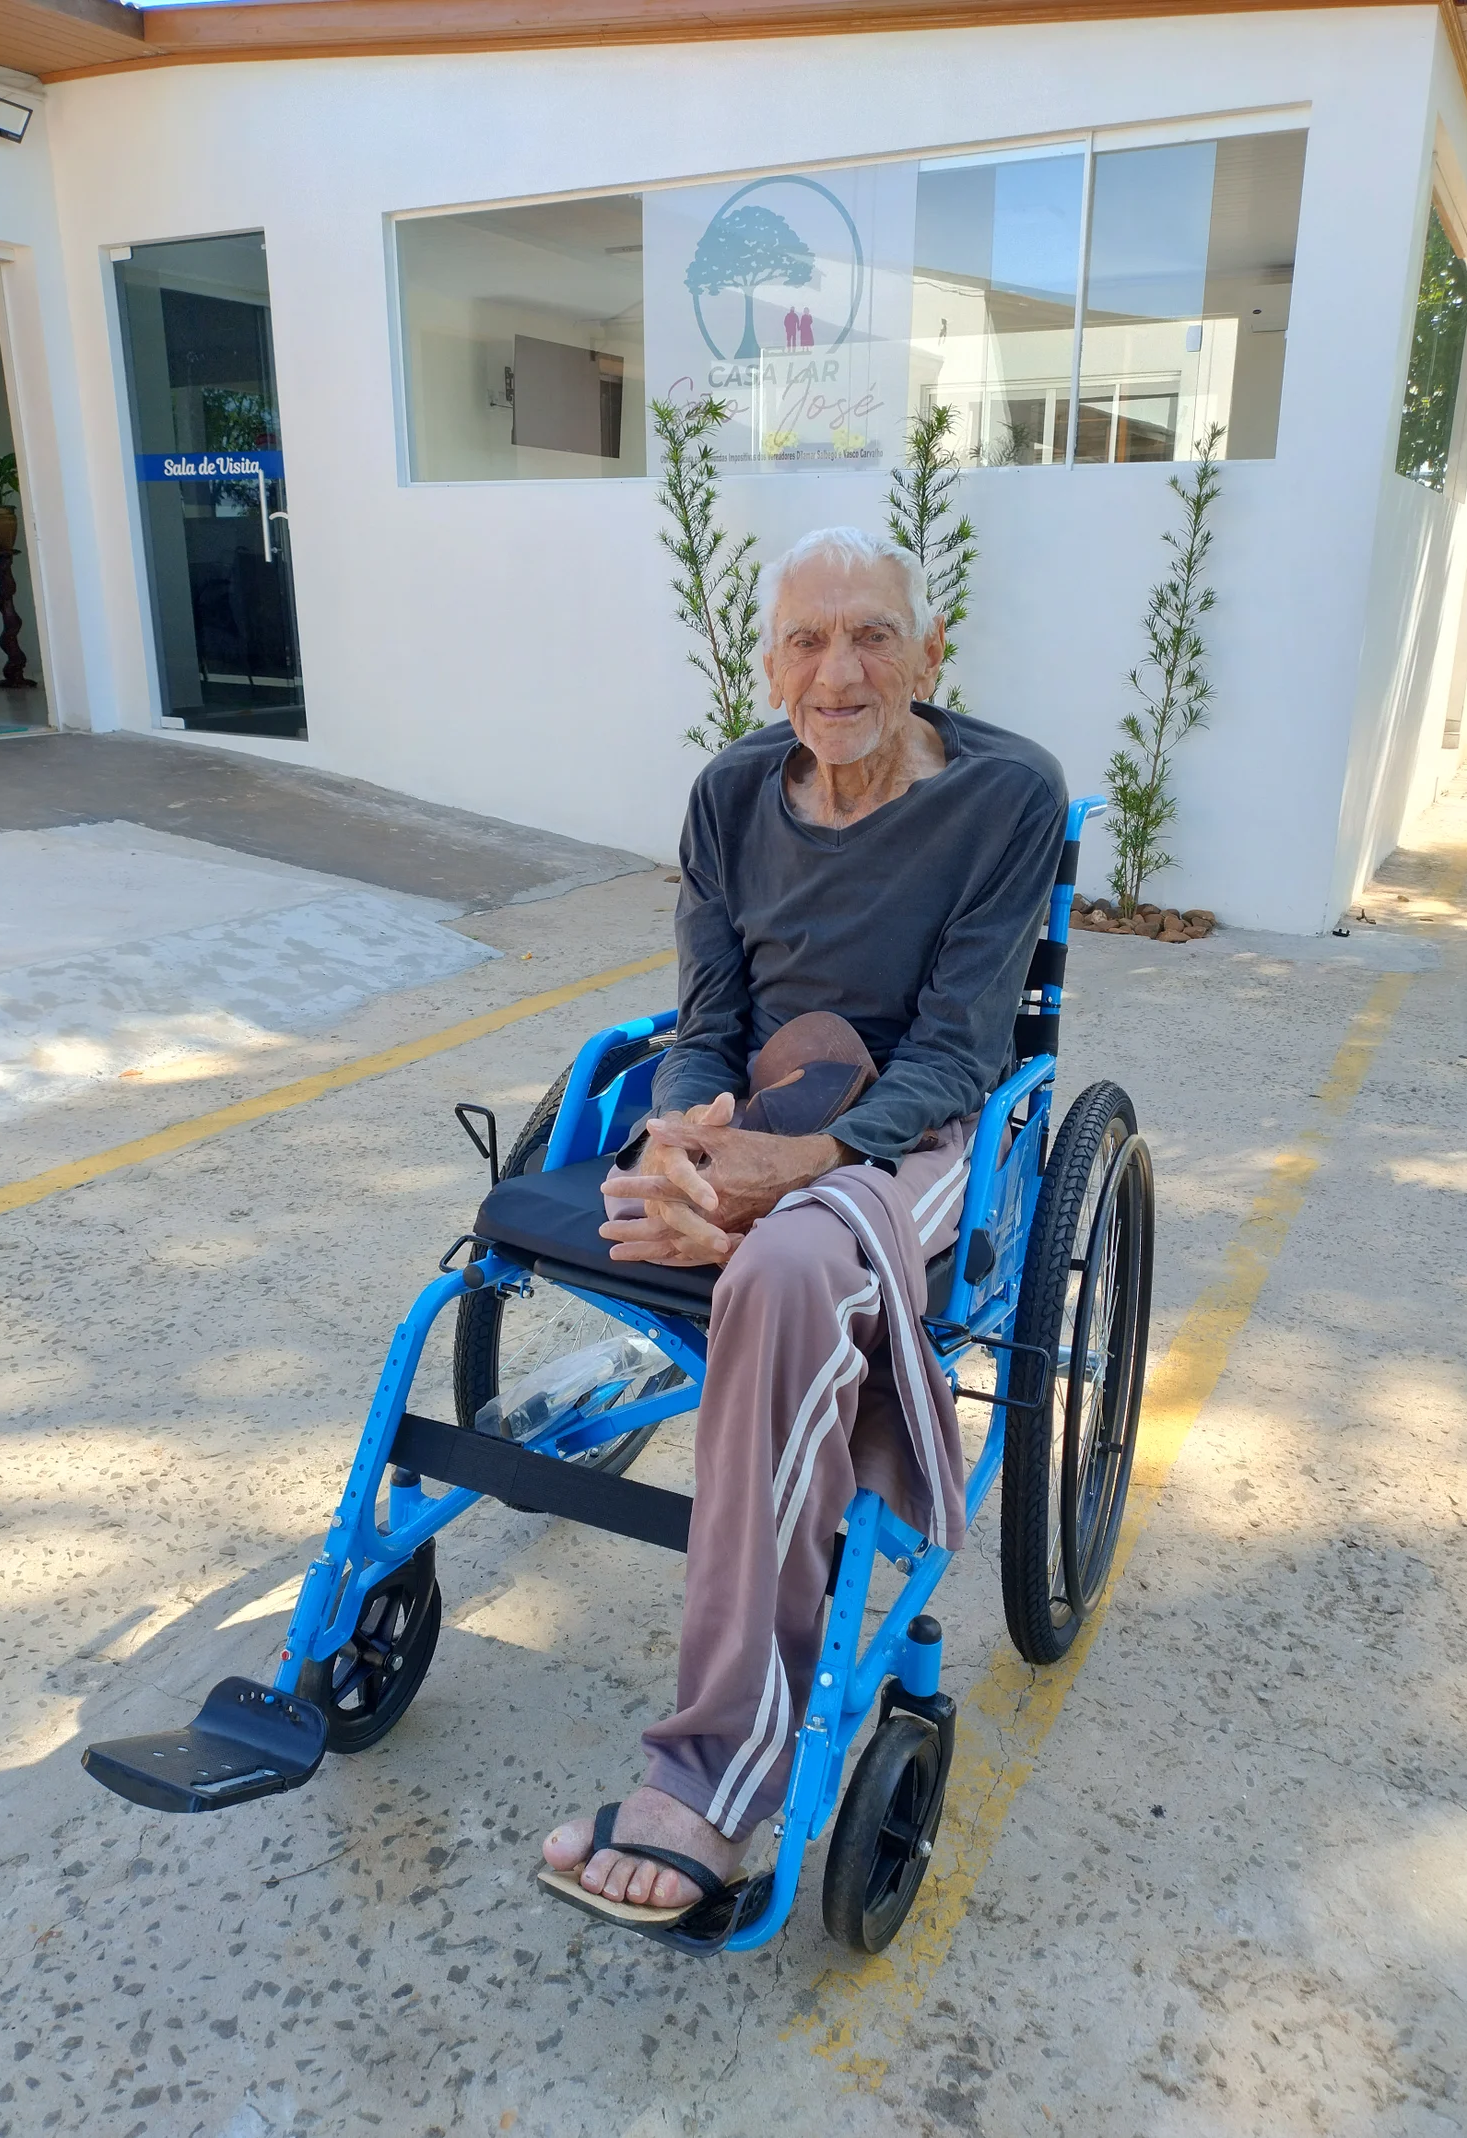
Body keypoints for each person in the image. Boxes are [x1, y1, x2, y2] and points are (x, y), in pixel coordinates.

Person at [540, 526, 1066, 1924]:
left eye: (873, 635)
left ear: (929, 652)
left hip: (919, 1133)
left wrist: (802, 1166)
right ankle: (749, 1255)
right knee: (651, 1197)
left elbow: (961, 1050)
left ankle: (719, 1769)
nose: (840, 672)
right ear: (769, 666)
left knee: (780, 1269)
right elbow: (708, 1024)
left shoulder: (1006, 797)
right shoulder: (729, 795)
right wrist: (684, 1141)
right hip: (767, 1106)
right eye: (808, 642)